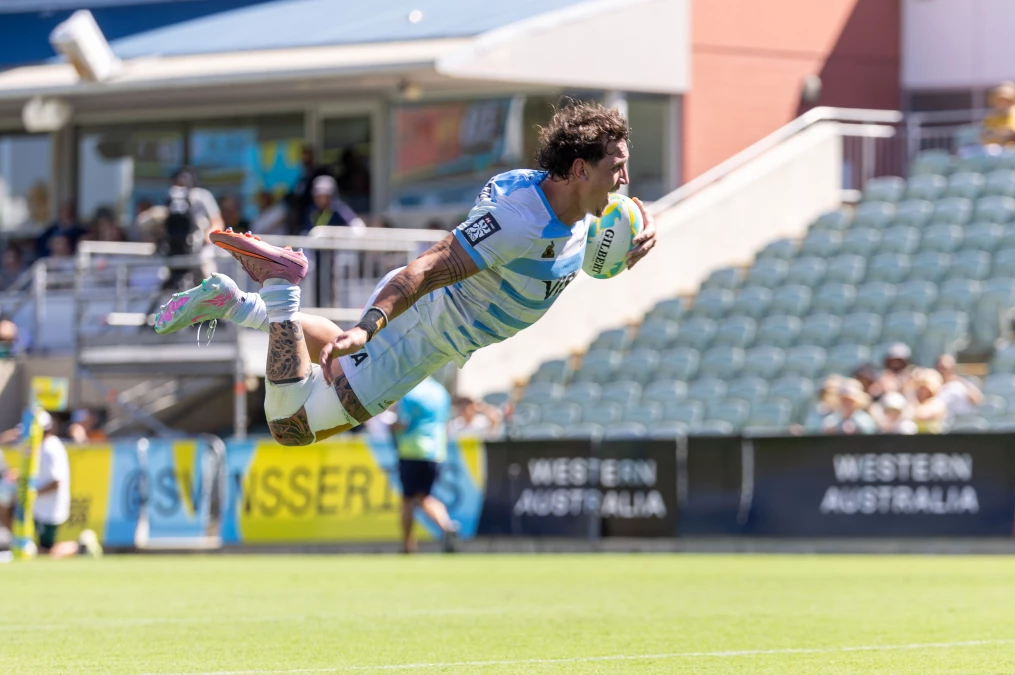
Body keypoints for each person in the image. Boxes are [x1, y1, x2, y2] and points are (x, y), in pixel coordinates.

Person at [153, 100, 657, 446]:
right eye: (617, 166)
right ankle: (280, 288)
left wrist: (627, 244)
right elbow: (428, 268)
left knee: (328, 349)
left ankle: (233, 302)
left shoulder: (567, 207)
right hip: (420, 335)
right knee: (290, 426)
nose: (625, 179)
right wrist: (370, 326)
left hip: (433, 335)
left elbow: (573, 257)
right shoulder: (518, 221)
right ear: (578, 170)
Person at [0, 410, 101, 558]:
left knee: (45, 552)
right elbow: (1, 440)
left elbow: (56, 481)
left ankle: (80, 546)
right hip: (37, 506)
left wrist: (33, 494)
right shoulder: (38, 446)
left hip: (48, 508)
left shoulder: (50, 448)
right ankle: (23, 543)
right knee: (0, 505)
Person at [389, 377, 457, 554]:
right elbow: (447, 424)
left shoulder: (409, 391)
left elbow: (403, 423)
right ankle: (447, 526)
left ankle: (408, 545)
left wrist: (389, 426)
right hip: (436, 451)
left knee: (408, 499)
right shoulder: (441, 392)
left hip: (412, 450)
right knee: (425, 495)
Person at [934, 353, 983, 419]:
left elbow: (977, 400)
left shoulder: (959, 385)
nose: (942, 371)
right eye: (939, 368)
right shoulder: (930, 385)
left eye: (945, 368)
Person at [980, 82, 1015, 147]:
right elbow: (986, 133)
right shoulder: (992, 115)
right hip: (993, 149)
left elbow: (1013, 132)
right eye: (1000, 100)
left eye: (1006, 100)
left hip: (1013, 148)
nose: (1003, 103)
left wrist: (997, 133)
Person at [909, 368, 948, 434]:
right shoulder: (914, 401)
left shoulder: (937, 403)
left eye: (925, 388)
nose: (923, 391)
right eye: (921, 388)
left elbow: (921, 416)